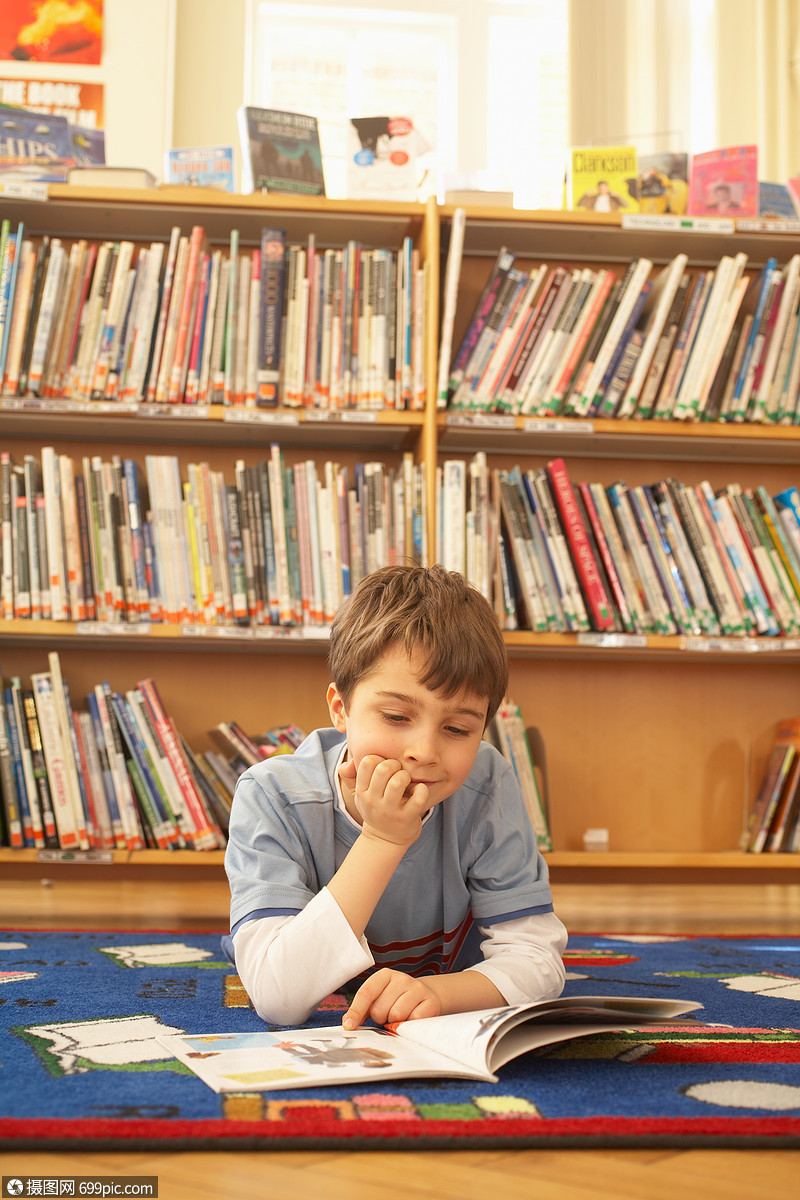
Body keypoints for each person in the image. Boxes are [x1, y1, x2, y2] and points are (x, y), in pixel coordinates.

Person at [224, 563, 567, 1029]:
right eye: (396, 717)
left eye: (457, 729)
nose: (424, 752)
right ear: (340, 709)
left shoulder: (486, 783)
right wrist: (383, 839)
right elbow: (277, 997)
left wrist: (438, 994)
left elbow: (537, 958)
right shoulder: (272, 795)